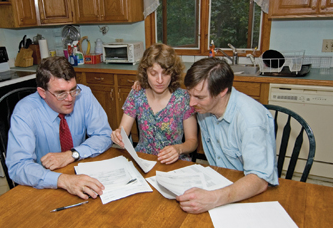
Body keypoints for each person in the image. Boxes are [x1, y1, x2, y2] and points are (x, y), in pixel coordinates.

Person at [176, 57, 278, 213]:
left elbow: (260, 180)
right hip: (219, 183)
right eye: (190, 94)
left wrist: (214, 198)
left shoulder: (251, 121)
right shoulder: (204, 107)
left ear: (222, 91)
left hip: (248, 194)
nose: (191, 103)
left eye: (199, 97)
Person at [6, 56, 112, 200]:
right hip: (43, 183)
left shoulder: (84, 95)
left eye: (73, 90)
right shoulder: (25, 112)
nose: (70, 98)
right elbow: (18, 166)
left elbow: (104, 135)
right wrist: (64, 180)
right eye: (61, 93)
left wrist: (72, 154)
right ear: (42, 92)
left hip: (77, 172)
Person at [111, 43, 198, 164]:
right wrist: (118, 135)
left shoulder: (183, 99)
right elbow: (123, 129)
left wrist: (178, 149)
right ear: (145, 72)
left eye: (166, 73)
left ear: (173, 73)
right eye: (153, 73)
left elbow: (193, 141)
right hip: (143, 159)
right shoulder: (137, 94)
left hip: (174, 161)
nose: (160, 80)